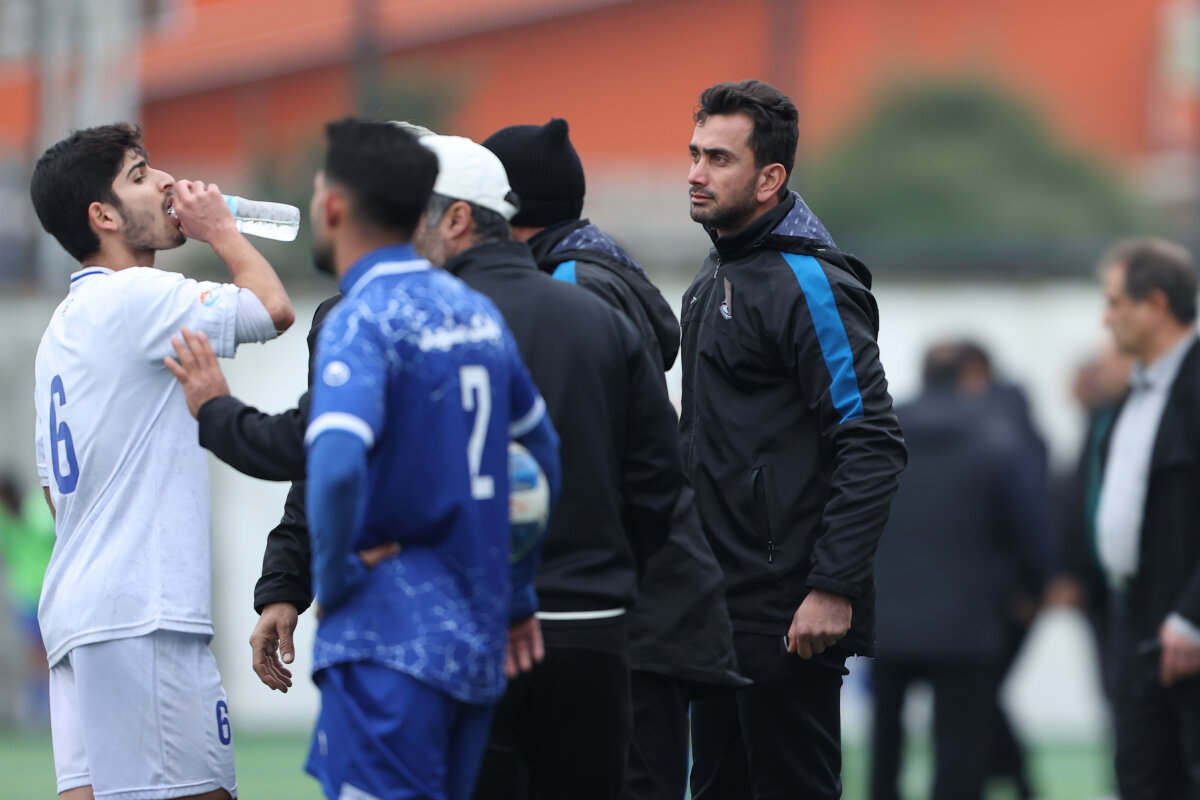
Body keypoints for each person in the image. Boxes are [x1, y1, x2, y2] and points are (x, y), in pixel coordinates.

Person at [482, 117, 747, 800]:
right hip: (636, 604)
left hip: (621, 615)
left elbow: (575, 461)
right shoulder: (587, 270)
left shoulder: (568, 288)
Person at [413, 133, 683, 800]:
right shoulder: (599, 311)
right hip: (594, 622)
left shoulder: (430, 321)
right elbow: (658, 475)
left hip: (474, 622)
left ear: (459, 217)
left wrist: (219, 416)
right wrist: (610, 568)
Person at [30, 122, 294, 800]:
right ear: (105, 216)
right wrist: (221, 229)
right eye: (141, 174)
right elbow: (273, 308)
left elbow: (56, 493)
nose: (169, 182)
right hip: (141, 615)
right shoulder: (134, 296)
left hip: (78, 614)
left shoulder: (61, 327)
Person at [299, 118, 561, 800]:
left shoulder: (362, 317)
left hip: (388, 645)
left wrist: (334, 578)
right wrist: (518, 592)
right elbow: (540, 453)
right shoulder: (473, 311)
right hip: (474, 642)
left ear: (335, 206)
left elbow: (336, 463)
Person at [679, 79, 907, 799]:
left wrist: (832, 586)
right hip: (714, 603)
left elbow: (870, 439)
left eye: (719, 158)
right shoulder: (717, 269)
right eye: (695, 153)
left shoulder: (808, 281)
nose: (696, 173)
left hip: (787, 610)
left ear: (770, 178)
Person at [870, 342, 1047, 800]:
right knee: (959, 755)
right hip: (968, 619)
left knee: (884, 745)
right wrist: (1032, 586)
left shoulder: (880, 429)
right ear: (969, 377)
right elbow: (1029, 522)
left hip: (886, 616)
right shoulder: (996, 435)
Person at [1095, 236, 1200, 799]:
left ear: (1156, 305)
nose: (1105, 317)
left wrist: (1192, 616)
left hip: (1186, 626)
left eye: (1115, 302)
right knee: (1141, 777)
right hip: (1136, 617)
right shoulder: (1136, 389)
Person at [0, 473, 56, 727]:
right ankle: (41, 708)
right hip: (25, 598)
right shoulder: (5, 520)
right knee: (35, 655)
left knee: (50, 652)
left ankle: (48, 706)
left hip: (49, 594)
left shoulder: (39, 509)